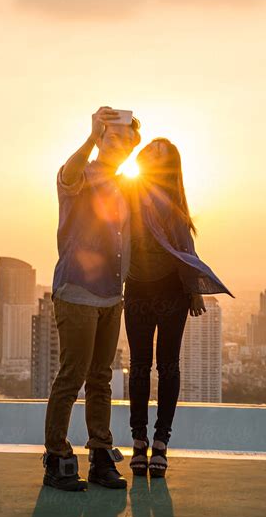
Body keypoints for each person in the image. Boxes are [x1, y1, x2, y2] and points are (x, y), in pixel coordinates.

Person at [43, 106, 141, 491]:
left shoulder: (128, 185)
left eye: (126, 139)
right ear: (101, 138)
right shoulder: (81, 173)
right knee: (72, 376)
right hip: (77, 292)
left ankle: (101, 455)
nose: (119, 144)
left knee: (101, 379)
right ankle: (57, 457)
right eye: (111, 136)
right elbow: (67, 175)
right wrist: (90, 135)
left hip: (109, 297)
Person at [123, 138, 234, 478]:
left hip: (172, 292)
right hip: (137, 289)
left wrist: (194, 291)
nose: (155, 155)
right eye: (151, 151)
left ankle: (161, 444)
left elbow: (186, 250)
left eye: (163, 153)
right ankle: (138, 442)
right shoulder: (128, 192)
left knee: (168, 366)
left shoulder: (175, 205)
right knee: (139, 367)